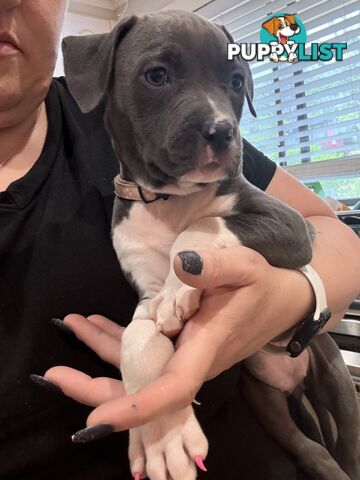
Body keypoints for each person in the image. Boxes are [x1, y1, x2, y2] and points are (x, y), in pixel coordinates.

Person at [0, 1, 359, 479]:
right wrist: (149, 373)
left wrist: (289, 302)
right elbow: (152, 310)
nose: (217, 117)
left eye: (233, 83)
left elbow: (319, 229)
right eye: (157, 77)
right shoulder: (125, 164)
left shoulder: (191, 164)